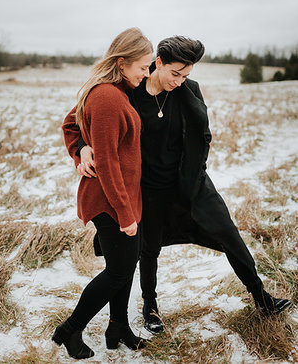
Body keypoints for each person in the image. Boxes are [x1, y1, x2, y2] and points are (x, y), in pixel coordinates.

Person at [73, 36, 292, 336]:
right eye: (175, 74)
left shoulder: (190, 91)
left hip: (191, 184)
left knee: (229, 235)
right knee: (148, 250)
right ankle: (150, 306)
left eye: (186, 75)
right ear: (157, 63)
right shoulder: (130, 91)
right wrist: (83, 147)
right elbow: (84, 118)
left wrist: (198, 169)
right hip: (148, 189)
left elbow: (202, 134)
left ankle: (261, 298)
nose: (179, 81)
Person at [52, 28, 153, 359]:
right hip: (110, 200)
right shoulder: (108, 97)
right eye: (143, 66)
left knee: (124, 265)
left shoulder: (117, 92)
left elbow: (72, 123)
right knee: (119, 272)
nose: (146, 72)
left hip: (123, 196)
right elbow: (108, 162)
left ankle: (118, 327)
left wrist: (80, 146)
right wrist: (125, 214)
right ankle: (70, 330)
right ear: (122, 63)